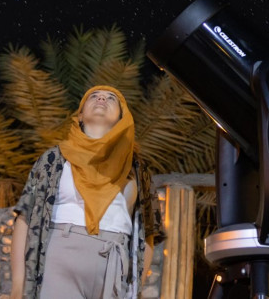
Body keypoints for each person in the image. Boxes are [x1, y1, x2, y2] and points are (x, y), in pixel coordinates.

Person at [10, 85, 161, 299]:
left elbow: (148, 232)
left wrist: (137, 287)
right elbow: (24, 219)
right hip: (60, 260)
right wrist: (18, 286)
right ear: (80, 115)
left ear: (121, 118)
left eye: (111, 98)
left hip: (114, 265)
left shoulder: (137, 168)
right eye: (94, 96)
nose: (101, 99)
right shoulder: (54, 159)